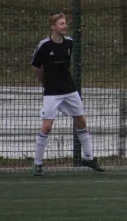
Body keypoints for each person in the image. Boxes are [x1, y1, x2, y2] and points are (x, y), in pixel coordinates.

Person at [30, 12, 104, 176]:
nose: (65, 26)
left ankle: (89, 158)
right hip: (52, 92)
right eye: (61, 24)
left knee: (81, 120)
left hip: (69, 89)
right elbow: (36, 66)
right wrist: (45, 83)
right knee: (47, 126)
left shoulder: (69, 43)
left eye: (65, 23)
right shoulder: (44, 45)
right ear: (53, 27)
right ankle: (37, 163)